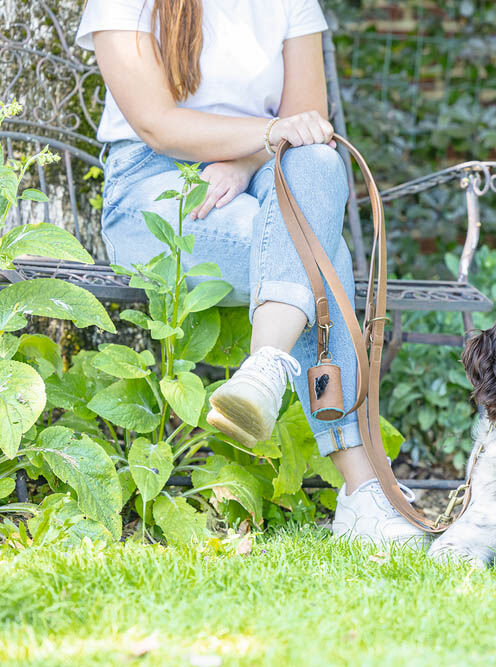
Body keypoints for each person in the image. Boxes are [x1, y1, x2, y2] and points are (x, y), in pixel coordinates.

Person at [76, 0, 426, 545]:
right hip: (154, 186)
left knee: (317, 161)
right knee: (320, 259)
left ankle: (265, 368)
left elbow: (308, 125)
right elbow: (157, 124)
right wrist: (266, 138)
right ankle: (365, 493)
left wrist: (245, 162)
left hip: (264, 172)